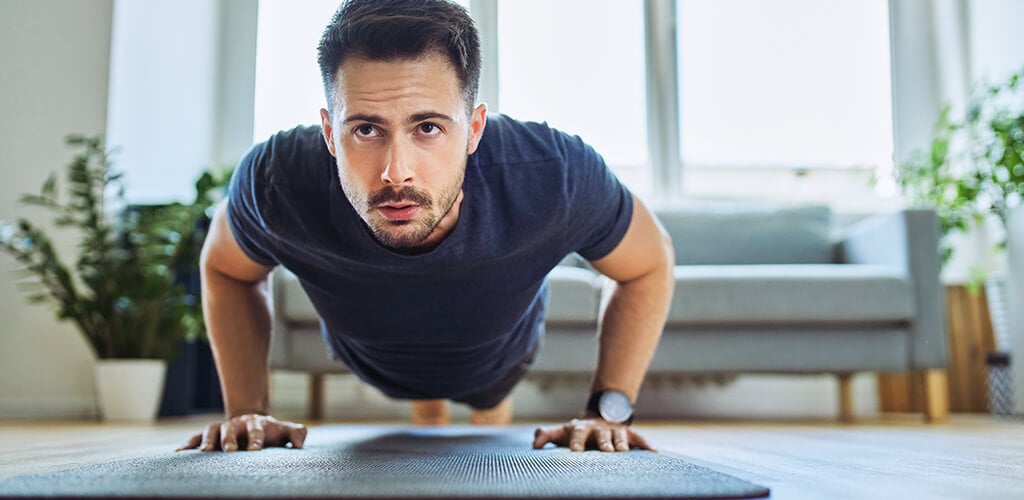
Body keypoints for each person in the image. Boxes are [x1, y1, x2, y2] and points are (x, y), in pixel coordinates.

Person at [177, 0, 673, 454]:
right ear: (330, 133)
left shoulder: (554, 173)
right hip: (373, 361)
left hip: (498, 360)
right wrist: (245, 411)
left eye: (428, 127)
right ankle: (430, 408)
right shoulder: (277, 178)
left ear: (475, 128)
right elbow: (226, 268)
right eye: (366, 129)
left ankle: (478, 408)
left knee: (487, 414)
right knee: (428, 415)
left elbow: (649, 263)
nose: (397, 171)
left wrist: (608, 412)